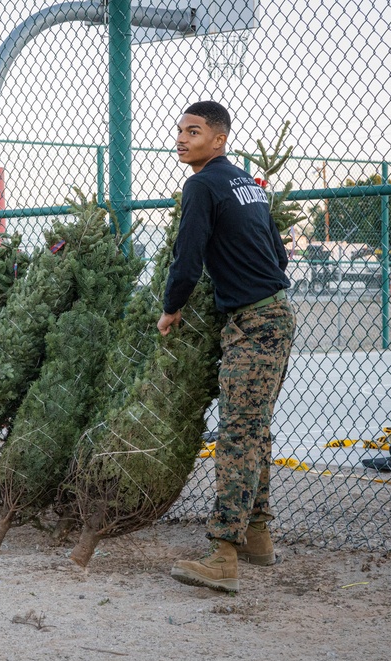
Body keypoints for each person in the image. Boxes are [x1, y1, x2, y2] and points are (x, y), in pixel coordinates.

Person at [157, 100, 295, 593]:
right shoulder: (245, 184)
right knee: (255, 429)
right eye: (179, 131)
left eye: (193, 132)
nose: (181, 138)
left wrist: (171, 308)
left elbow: (187, 256)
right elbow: (278, 252)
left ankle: (222, 555)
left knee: (237, 434)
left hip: (254, 322)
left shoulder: (201, 185)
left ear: (218, 139)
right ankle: (257, 536)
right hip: (277, 314)